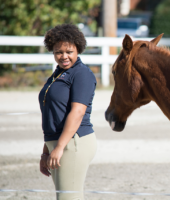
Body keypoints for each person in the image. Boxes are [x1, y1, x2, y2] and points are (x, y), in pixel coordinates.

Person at [38, 24, 97, 200]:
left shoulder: (81, 74)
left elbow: (77, 113)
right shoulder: (57, 74)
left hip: (73, 143)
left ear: (78, 49)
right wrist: (46, 150)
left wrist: (60, 147)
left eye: (69, 51)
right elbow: (53, 114)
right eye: (58, 52)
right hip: (58, 143)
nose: (64, 56)